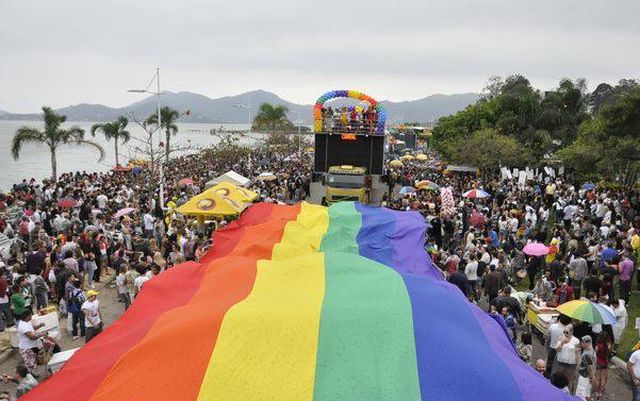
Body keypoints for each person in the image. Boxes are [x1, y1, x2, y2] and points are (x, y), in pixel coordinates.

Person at [17, 310, 46, 376]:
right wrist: (41, 334)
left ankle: (33, 375)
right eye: (30, 315)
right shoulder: (23, 326)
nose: (31, 316)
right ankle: (29, 378)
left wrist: (40, 325)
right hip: (26, 348)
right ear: (26, 316)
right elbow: (32, 337)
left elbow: (32, 328)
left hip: (31, 347)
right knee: (30, 365)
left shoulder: (27, 322)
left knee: (33, 363)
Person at [554, 323, 580, 392]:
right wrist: (562, 342)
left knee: (568, 381)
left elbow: (577, 353)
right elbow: (557, 350)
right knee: (559, 380)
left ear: (571, 332)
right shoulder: (561, 338)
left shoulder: (576, 340)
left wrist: (577, 364)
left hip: (571, 364)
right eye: (564, 332)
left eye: (567, 332)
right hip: (560, 362)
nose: (565, 333)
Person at [575, 335, 596, 401]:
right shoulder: (592, 351)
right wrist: (592, 377)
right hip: (588, 377)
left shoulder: (586, 354)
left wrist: (577, 354)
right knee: (587, 395)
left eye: (583, 342)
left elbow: (589, 367)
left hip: (583, 377)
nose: (581, 344)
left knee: (580, 396)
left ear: (588, 343)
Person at [593, 331, 611, 399]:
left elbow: (595, 354)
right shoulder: (608, 345)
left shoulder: (598, 345)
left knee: (597, 378)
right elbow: (608, 354)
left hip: (598, 362)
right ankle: (600, 392)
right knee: (603, 379)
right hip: (605, 363)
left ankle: (596, 392)